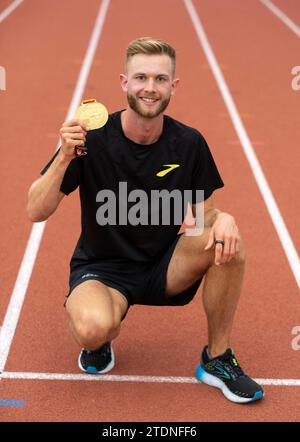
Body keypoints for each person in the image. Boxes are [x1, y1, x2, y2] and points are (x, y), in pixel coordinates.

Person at [27, 37, 264, 404]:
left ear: (173, 86)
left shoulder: (189, 143)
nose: (149, 88)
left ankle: (216, 359)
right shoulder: (90, 140)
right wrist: (63, 158)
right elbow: (35, 210)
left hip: (164, 265)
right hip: (103, 268)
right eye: (141, 78)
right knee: (93, 327)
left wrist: (225, 219)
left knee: (227, 241)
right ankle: (100, 335)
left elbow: (206, 219)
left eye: (159, 79)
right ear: (124, 82)